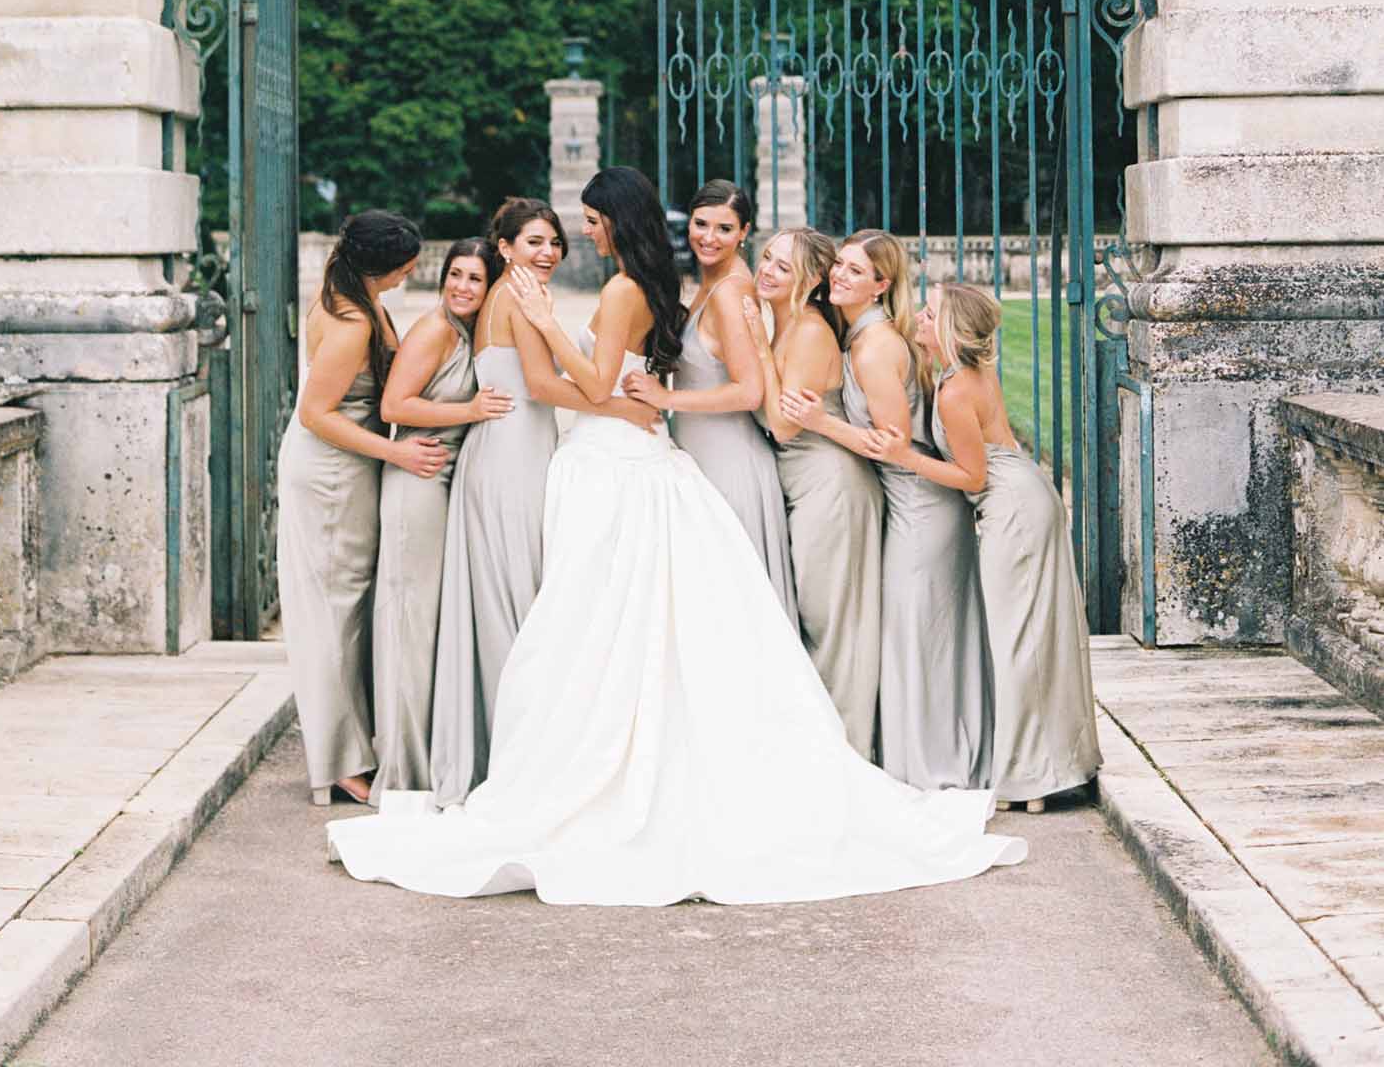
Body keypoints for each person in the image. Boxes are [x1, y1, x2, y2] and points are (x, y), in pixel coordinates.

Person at [326, 167, 1025, 907]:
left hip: (620, 456)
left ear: (612, 221)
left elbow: (600, 387)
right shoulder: (657, 286)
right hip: (629, 451)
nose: (582, 235)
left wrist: (547, 323)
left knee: (607, 624)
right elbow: (613, 388)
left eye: (591, 222)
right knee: (620, 623)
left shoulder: (633, 290)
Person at [429, 198, 658, 807]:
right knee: (519, 607)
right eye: (534, 241)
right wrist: (623, 407)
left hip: (517, 449)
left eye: (554, 241)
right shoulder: (516, 298)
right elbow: (542, 385)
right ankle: (520, 762)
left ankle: (515, 751)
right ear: (503, 247)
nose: (549, 252)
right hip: (509, 457)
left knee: (518, 600)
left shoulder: (519, 295)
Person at [871, 281, 1101, 811]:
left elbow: (972, 477)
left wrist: (902, 455)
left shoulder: (955, 392)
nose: (919, 323)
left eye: (929, 316)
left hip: (1013, 509)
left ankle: (1031, 777)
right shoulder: (962, 375)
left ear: (949, 332)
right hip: (1022, 496)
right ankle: (1040, 765)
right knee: (1028, 636)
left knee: (1018, 638)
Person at [788, 231, 993, 791]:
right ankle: (917, 757)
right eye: (839, 266)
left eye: (856, 271)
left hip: (921, 508)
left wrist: (821, 423)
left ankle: (933, 767)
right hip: (906, 505)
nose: (840, 276)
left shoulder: (876, 347)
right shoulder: (858, 335)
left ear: (882, 284)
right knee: (912, 634)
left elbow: (893, 442)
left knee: (916, 636)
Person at [277, 210, 444, 807]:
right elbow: (316, 415)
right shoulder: (349, 321)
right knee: (333, 612)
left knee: (349, 605)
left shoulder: (356, 290)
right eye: (405, 266)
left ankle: (356, 744)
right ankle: (340, 761)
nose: (410, 273)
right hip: (329, 474)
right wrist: (396, 455)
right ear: (381, 266)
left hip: (351, 468)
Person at [370, 238, 512, 802]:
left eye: (474, 279)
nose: (461, 287)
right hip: (417, 479)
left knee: (428, 626)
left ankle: (430, 753)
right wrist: (470, 411)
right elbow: (393, 407)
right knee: (408, 622)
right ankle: (401, 770)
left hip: (444, 478)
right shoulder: (434, 330)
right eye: (455, 275)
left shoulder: (471, 333)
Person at [621, 179, 795, 617]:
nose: (707, 237)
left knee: (733, 603)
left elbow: (749, 390)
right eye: (701, 223)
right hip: (701, 457)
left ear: (744, 233)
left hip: (730, 464)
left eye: (724, 228)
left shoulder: (733, 292)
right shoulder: (710, 284)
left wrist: (666, 398)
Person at [743, 228, 884, 754]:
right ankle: (820, 747)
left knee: (833, 626)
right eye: (766, 258)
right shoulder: (785, 321)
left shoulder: (805, 331)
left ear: (806, 279)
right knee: (814, 619)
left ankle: (847, 754)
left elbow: (782, 425)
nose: (766, 270)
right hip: (804, 486)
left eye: (782, 266)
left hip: (833, 485)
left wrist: (759, 348)